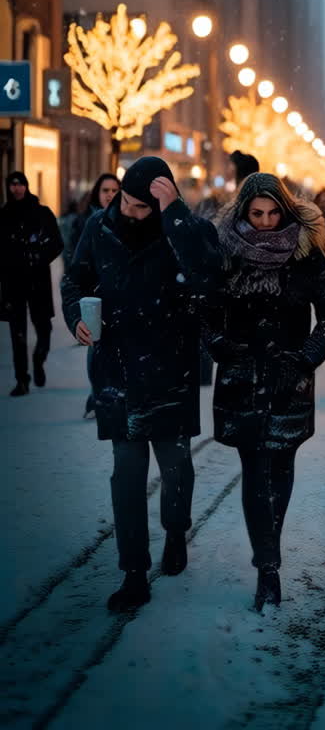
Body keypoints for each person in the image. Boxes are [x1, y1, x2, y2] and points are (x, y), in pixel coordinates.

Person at [61, 156, 221, 613]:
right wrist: (76, 318)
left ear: (162, 200)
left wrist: (176, 219)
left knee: (175, 469)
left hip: (171, 366)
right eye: (124, 202)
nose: (127, 210)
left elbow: (209, 278)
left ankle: (175, 530)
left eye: (139, 206)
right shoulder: (99, 226)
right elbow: (74, 281)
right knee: (126, 475)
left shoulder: (185, 229)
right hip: (116, 367)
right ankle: (133, 571)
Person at [202, 173, 325, 612]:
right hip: (242, 379)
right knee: (254, 469)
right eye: (256, 213)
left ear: (285, 210)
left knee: (280, 467)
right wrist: (223, 348)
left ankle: (269, 548)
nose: (265, 222)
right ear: (243, 212)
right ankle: (268, 566)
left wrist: (305, 357)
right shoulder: (225, 254)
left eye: (272, 213)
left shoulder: (305, 254)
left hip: (289, 379)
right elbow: (203, 310)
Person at [0, 172, 63, 396]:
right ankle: (22, 380)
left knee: (44, 328)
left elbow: (57, 243)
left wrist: (39, 257)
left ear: (26, 186)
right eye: (12, 184)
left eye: (20, 184)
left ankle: (38, 359)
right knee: (17, 334)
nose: (16, 189)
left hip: (37, 280)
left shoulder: (41, 213)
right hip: (13, 281)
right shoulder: (4, 215)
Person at [65, 173, 121, 419]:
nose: (110, 194)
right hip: (91, 297)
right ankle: (97, 392)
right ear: (97, 194)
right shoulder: (87, 222)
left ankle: (103, 392)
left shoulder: (124, 221)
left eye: (114, 190)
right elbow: (75, 262)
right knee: (95, 349)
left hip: (113, 296)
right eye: (105, 190)